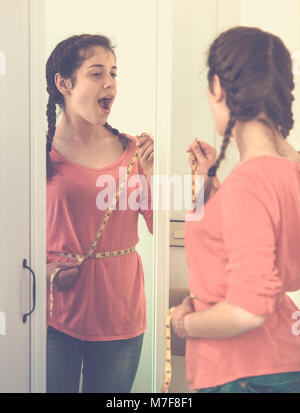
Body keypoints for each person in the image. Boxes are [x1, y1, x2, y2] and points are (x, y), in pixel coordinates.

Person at [171, 26, 300, 393]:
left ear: (218, 87)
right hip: (277, 360)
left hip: (242, 372)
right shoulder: (285, 172)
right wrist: (207, 179)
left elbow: (248, 309)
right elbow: (237, 236)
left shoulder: (251, 184)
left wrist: (184, 324)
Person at [45, 34, 154, 393]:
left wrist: (155, 174)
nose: (109, 83)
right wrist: (47, 272)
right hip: (53, 313)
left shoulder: (135, 152)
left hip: (120, 313)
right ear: (64, 83)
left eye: (113, 73)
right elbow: (10, 237)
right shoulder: (37, 153)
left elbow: (159, 220)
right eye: (96, 73)